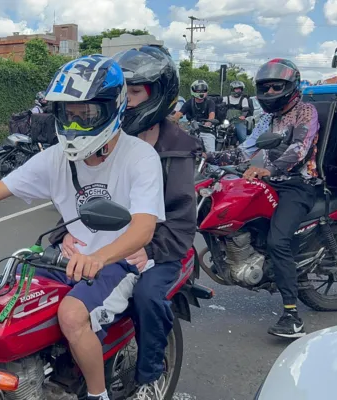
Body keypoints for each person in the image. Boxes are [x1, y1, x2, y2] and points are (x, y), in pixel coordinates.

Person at [0, 55, 166, 400]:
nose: (75, 125)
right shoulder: (55, 157)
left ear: (112, 107)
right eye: (67, 114)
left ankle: (97, 394)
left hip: (116, 261)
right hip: (66, 257)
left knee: (72, 316)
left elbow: (144, 227)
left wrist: (99, 257)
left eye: (86, 114)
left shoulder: (140, 156)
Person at [48, 46, 199, 399]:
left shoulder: (176, 149)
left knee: (147, 295)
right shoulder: (101, 136)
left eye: (135, 93)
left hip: (158, 249)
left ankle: (150, 377)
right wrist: (65, 231)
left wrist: (148, 249)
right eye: (122, 92)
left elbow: (180, 217)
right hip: (107, 244)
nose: (126, 100)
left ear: (157, 96)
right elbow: (77, 194)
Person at [206, 59, 320, 338]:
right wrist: (209, 156)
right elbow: (247, 147)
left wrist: (270, 168)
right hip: (271, 182)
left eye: (275, 87)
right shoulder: (269, 118)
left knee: (278, 241)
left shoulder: (306, 112)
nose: (269, 92)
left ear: (291, 86)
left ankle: (292, 315)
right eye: (264, 87)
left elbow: (298, 149)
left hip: (298, 184)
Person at [172, 80, 217, 152]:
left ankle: (211, 160)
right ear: (193, 90)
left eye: (203, 90)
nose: (201, 92)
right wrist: (172, 120)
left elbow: (212, 114)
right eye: (198, 90)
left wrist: (208, 122)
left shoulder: (210, 102)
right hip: (192, 130)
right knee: (182, 148)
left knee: (210, 153)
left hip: (206, 130)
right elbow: (179, 113)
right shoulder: (189, 102)